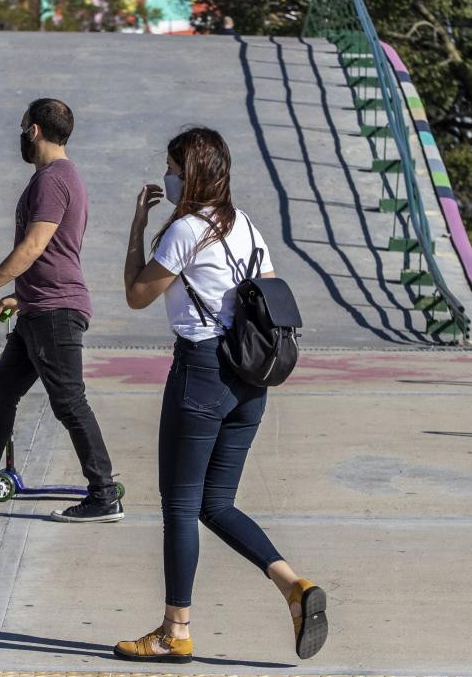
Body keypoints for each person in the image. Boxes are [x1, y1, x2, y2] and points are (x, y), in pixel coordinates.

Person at [115, 126, 326, 664]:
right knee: (217, 502)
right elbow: (270, 292)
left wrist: (138, 225)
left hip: (203, 371)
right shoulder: (248, 227)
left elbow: (138, 294)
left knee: (182, 505)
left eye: (171, 165)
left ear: (188, 174)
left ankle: (174, 630)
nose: (166, 173)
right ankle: (293, 587)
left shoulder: (185, 230)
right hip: (250, 380)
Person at [0, 98, 123, 521]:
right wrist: (20, 294)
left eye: (22, 127)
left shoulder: (53, 179)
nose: (20, 134)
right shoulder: (60, 177)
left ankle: (104, 494)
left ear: (34, 131)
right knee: (2, 394)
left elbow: (34, 246)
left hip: (55, 310)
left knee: (68, 401)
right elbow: (56, 251)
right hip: (37, 306)